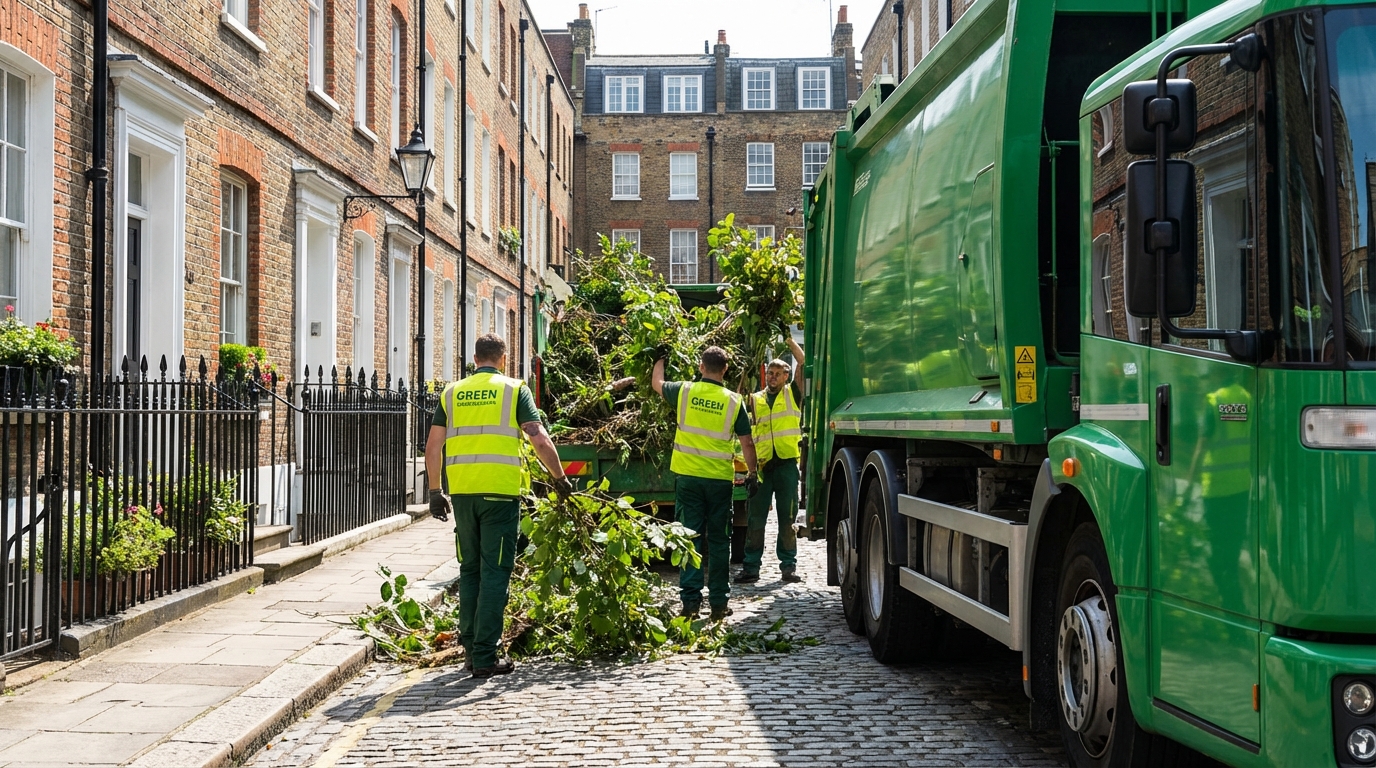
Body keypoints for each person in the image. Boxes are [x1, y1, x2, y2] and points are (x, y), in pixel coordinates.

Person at [425, 333, 573, 679]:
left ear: (474, 359)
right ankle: (485, 655)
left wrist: (435, 491)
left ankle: (472, 650)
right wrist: (560, 477)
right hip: (500, 496)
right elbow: (538, 436)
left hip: (462, 495)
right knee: (495, 572)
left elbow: (433, 446)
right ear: (503, 358)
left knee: (471, 570)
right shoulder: (513, 389)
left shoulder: (452, 393)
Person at [651, 345, 758, 621]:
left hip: (688, 480)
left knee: (689, 539)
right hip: (720, 483)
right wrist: (752, 473)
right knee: (720, 542)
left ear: (701, 367)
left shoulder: (685, 391)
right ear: (725, 370)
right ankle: (720, 604)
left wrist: (659, 358)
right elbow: (746, 442)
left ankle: (690, 603)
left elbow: (657, 383)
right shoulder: (734, 401)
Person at [738, 336, 806, 584]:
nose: (773, 377)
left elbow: (803, 361)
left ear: (786, 376)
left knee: (787, 519)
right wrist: (751, 470)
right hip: (763, 468)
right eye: (771, 373)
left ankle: (788, 566)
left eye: (778, 373)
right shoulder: (755, 400)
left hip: (787, 465)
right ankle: (750, 567)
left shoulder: (793, 393)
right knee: (755, 519)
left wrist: (788, 339)